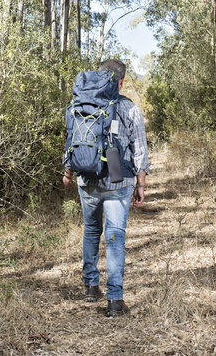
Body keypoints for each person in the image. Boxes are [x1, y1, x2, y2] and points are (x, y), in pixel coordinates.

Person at [62, 58, 149, 317]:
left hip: (86, 179)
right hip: (118, 182)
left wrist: (68, 172)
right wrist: (141, 185)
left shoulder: (78, 104)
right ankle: (114, 300)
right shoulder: (129, 108)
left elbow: (70, 141)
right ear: (120, 81)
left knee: (91, 230)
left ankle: (91, 286)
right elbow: (140, 150)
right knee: (114, 236)